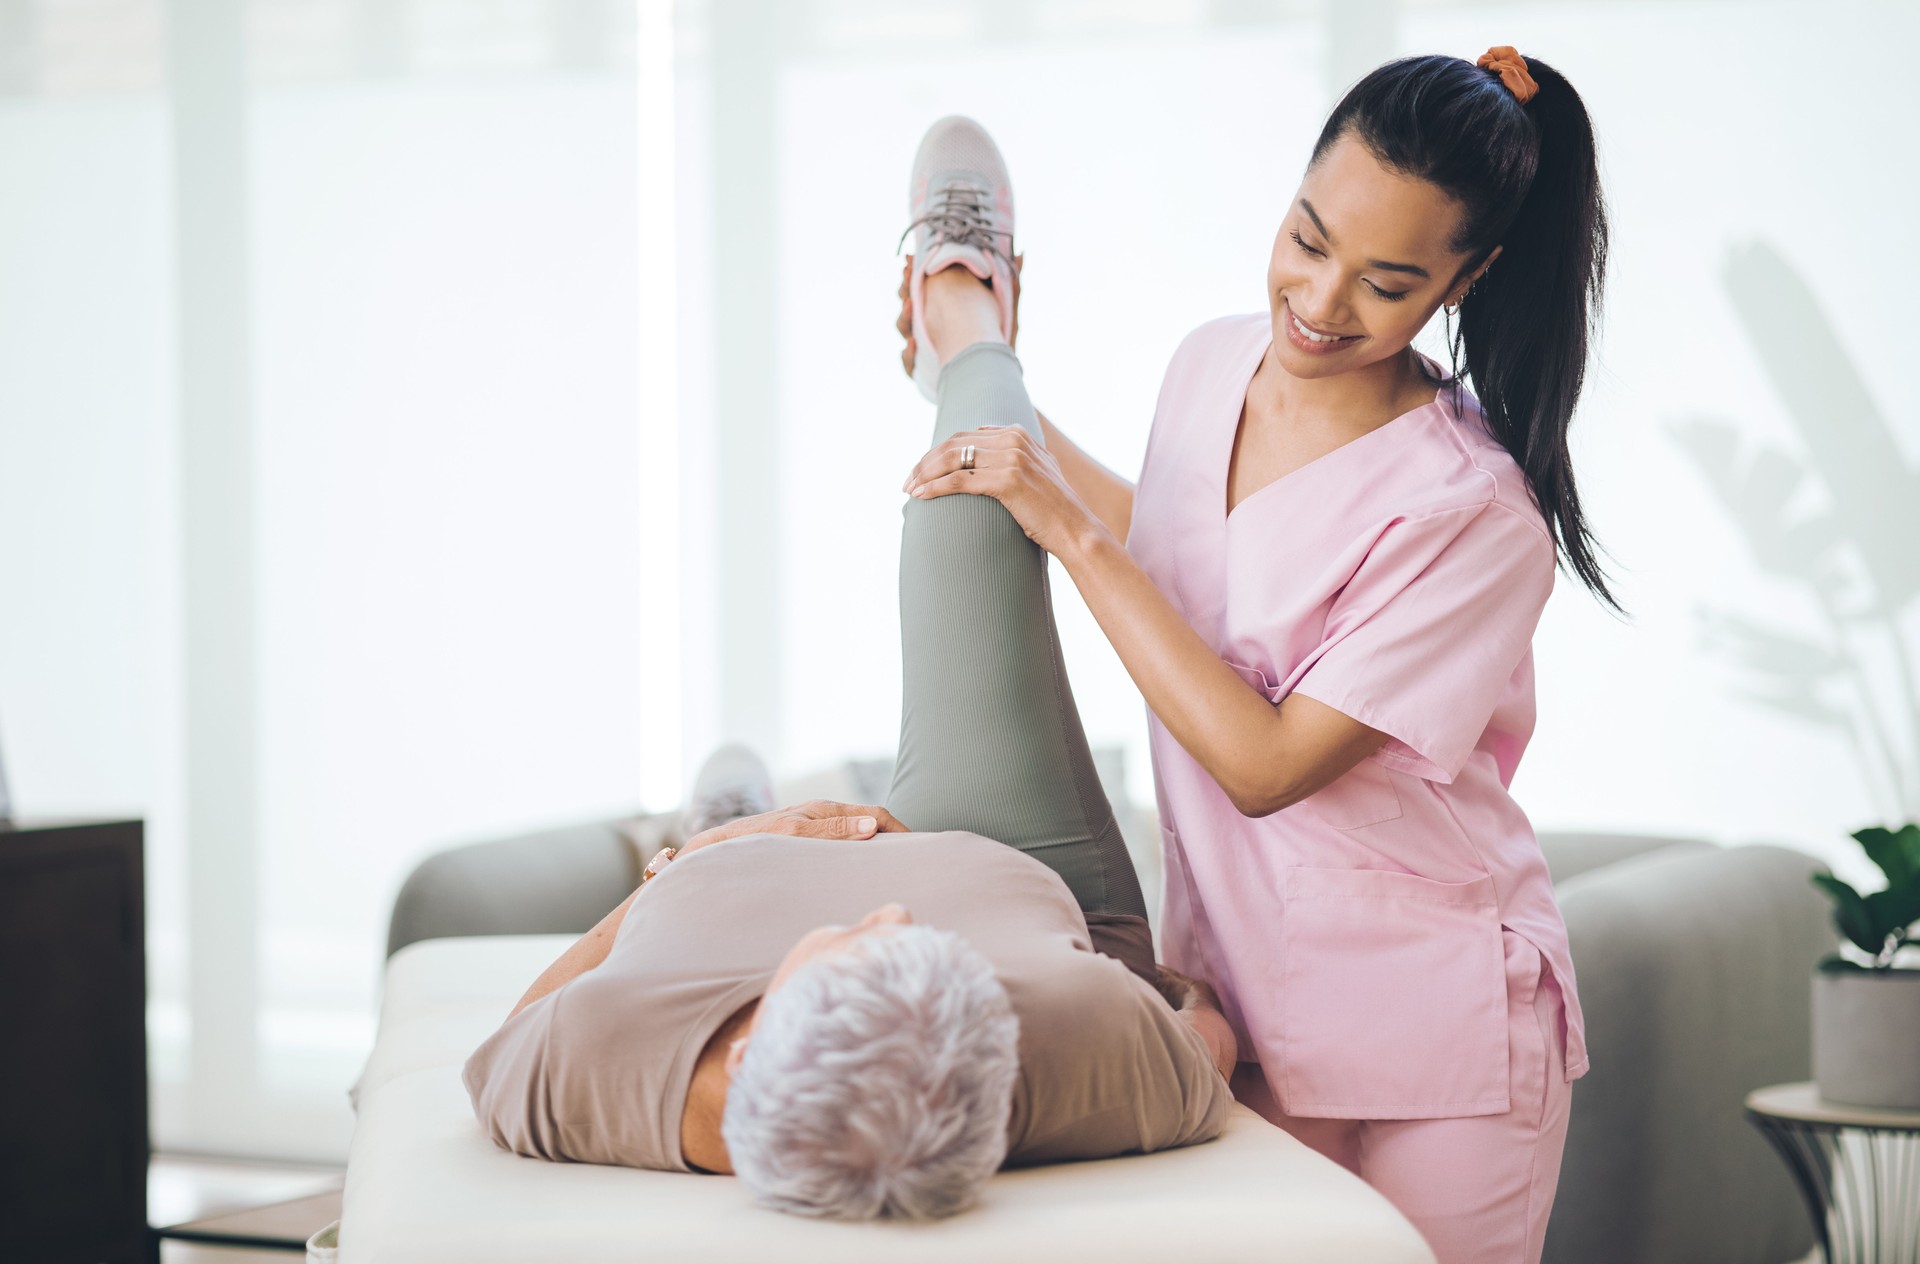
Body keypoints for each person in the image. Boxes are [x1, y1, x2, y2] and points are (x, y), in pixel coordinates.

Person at [894, 50, 1611, 1264]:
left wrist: (1062, 525)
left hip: (1444, 1040)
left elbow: (1265, 761)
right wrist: (977, 393)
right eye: (1307, 237)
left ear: (1467, 278)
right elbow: (1174, 554)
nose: (1322, 302)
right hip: (1247, 999)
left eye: (1387, 283)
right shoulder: (1209, 363)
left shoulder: (1473, 512)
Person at [461, 146, 1239, 1215]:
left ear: (745, 1053)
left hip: (724, 880)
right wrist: (1154, 991)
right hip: (1006, 854)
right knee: (972, 504)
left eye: (859, 951)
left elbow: (501, 1042)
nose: (886, 912)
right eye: (917, 946)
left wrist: (700, 862)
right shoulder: (1060, 1047)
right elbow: (1210, 1041)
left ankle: (721, 808)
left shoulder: (601, 1066)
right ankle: (968, 315)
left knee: (724, 819)